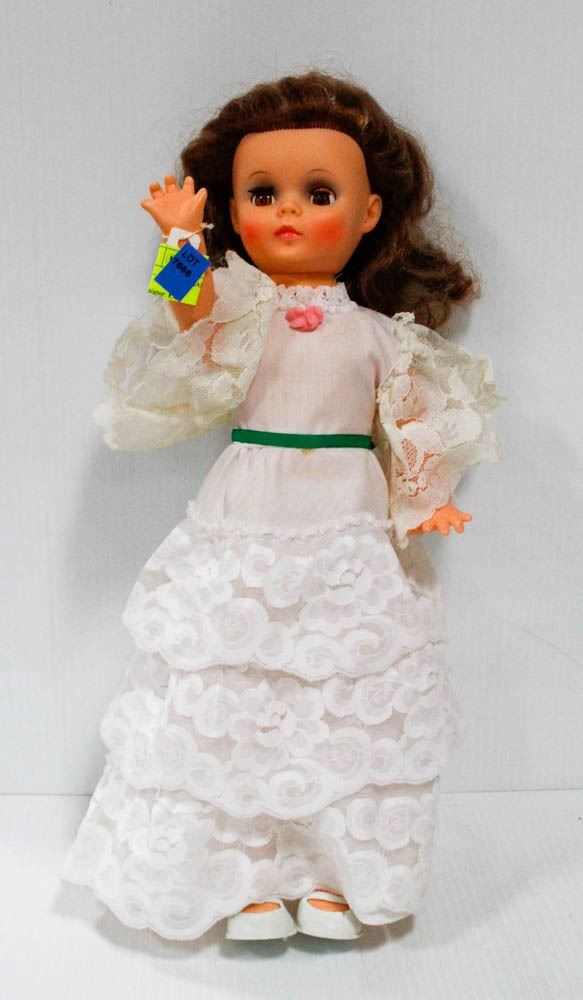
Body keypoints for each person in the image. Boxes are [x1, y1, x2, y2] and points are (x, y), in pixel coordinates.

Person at [61, 69, 505, 942]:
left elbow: (412, 420)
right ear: (234, 210)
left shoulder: (379, 334)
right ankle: (245, 876)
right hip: (249, 509)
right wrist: (178, 240)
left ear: (369, 213)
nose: (289, 212)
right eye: (263, 194)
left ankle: (330, 874)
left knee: (337, 696)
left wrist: (427, 498)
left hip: (347, 518)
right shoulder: (241, 315)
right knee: (238, 687)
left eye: (318, 193)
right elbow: (185, 313)